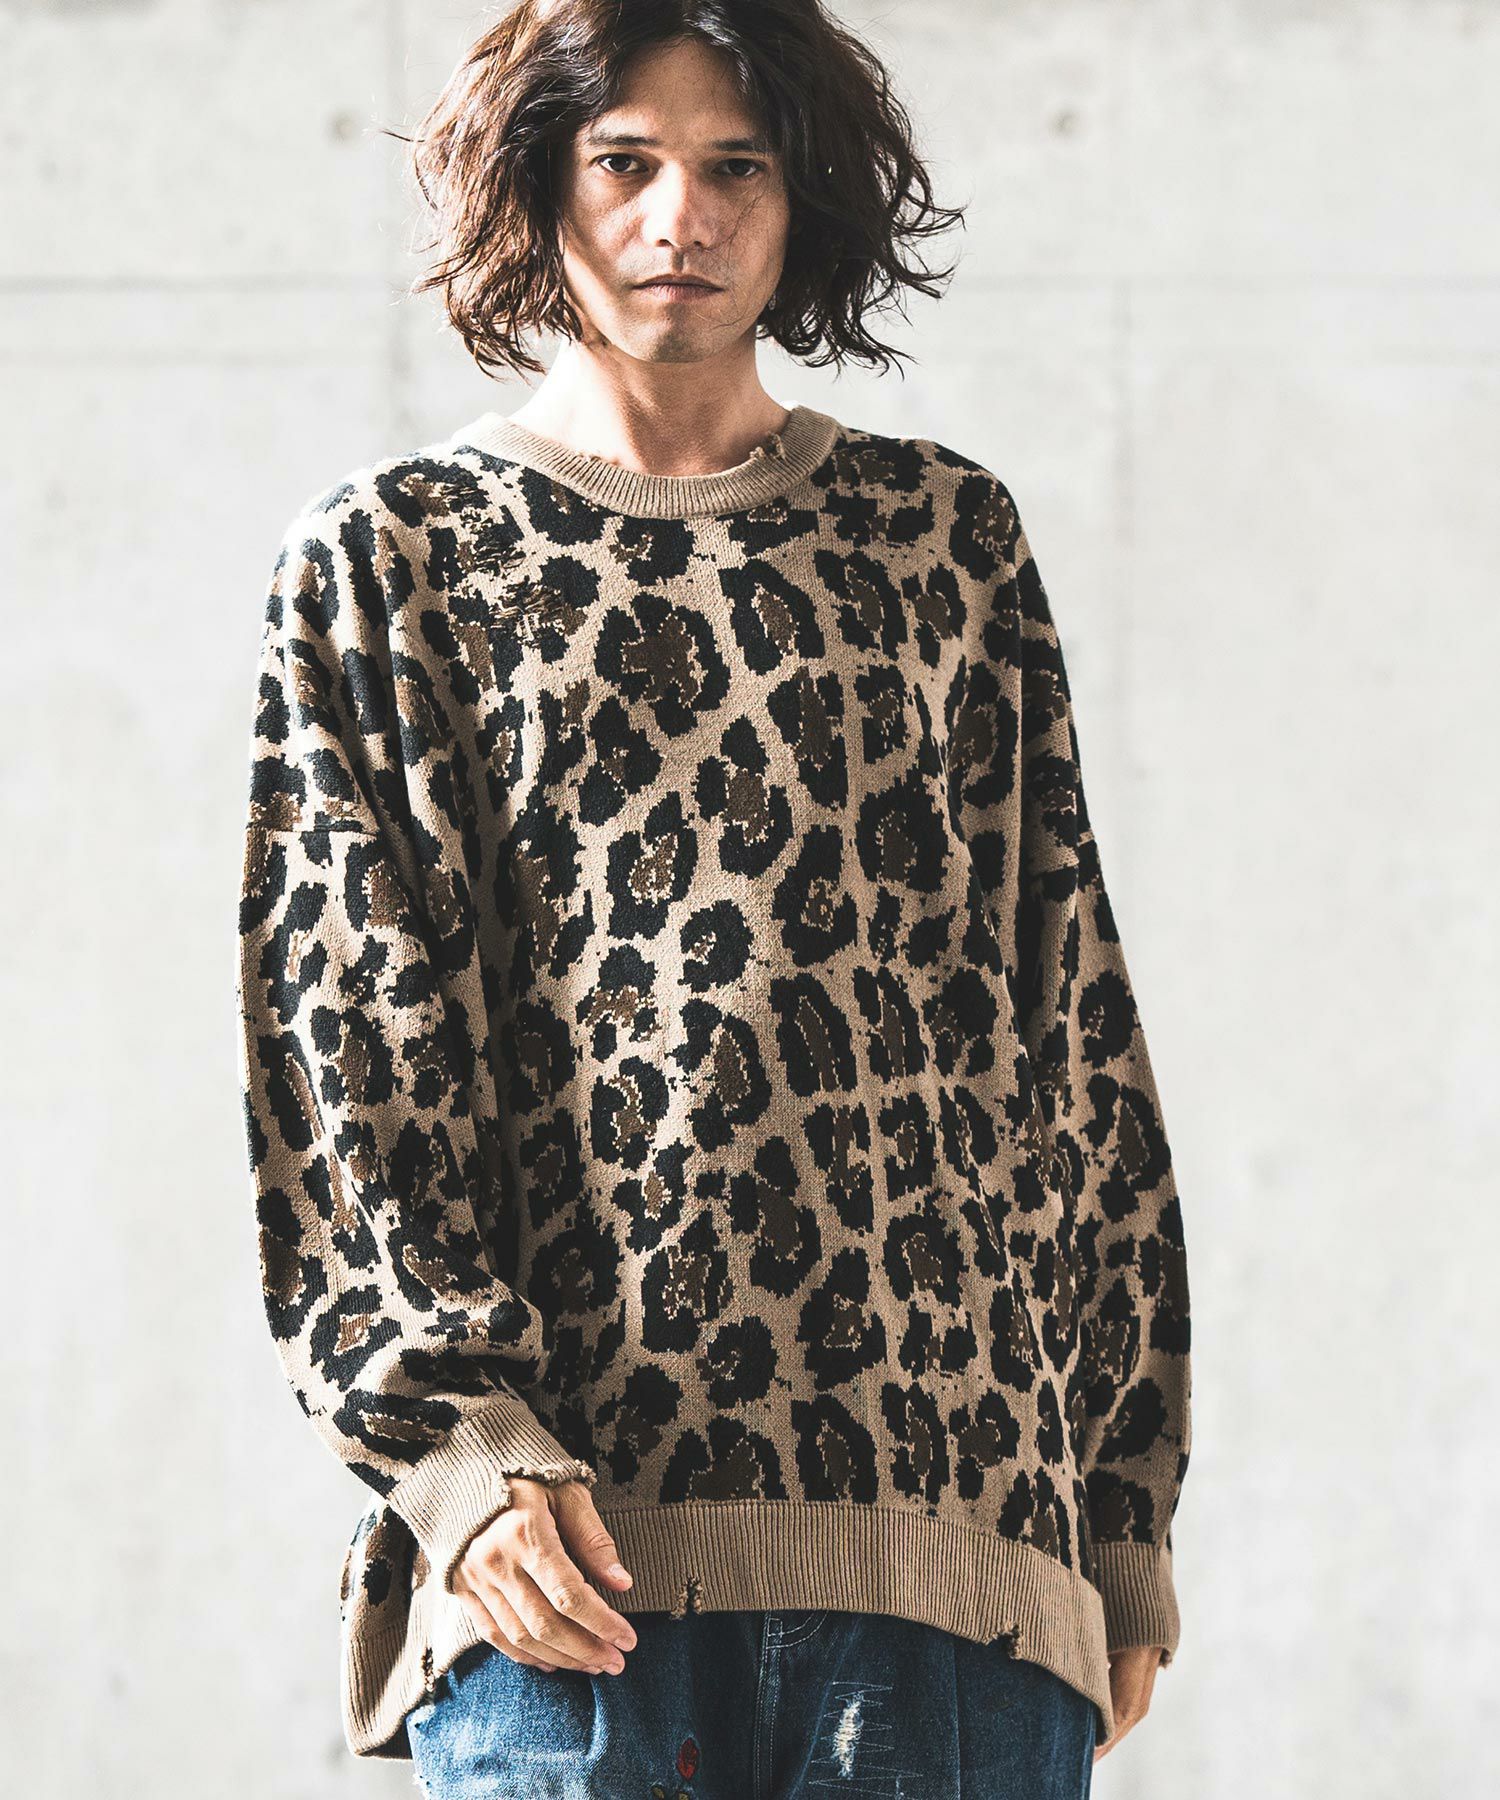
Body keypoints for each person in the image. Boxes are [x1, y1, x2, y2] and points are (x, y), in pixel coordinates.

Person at [234, 2, 1193, 1793]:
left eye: (736, 165)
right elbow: (342, 1055)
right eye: (626, 162)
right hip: (564, 1571)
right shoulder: (391, 560)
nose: (681, 216)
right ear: (539, 183)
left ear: (803, 197)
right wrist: (457, 1456)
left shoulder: (941, 539)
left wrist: (1123, 1503)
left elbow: (1067, 1026)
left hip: (951, 1554)